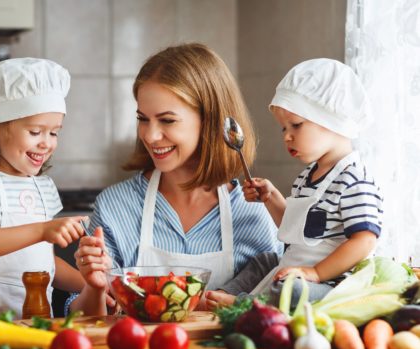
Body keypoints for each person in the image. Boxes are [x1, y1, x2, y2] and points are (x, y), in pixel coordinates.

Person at [66, 43, 283, 315]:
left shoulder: (255, 213)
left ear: (210, 120)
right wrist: (95, 288)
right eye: (143, 119)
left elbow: (275, 312)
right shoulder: (115, 206)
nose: (150, 135)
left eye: (167, 120)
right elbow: (84, 322)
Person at [206, 58, 383, 308]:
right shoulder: (307, 176)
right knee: (265, 261)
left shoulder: (354, 180)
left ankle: (240, 305)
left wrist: (316, 273)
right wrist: (271, 198)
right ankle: (222, 294)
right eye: (283, 129)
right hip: (299, 267)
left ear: (331, 120)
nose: (287, 136)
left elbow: (365, 241)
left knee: (293, 289)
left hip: (332, 284)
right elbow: (296, 229)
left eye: (296, 126)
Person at [0, 58, 91, 318]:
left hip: (37, 323)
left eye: (54, 133)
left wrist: (94, 286)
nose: (46, 144)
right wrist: (42, 230)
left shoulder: (43, 186)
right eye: (36, 132)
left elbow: (46, 263)